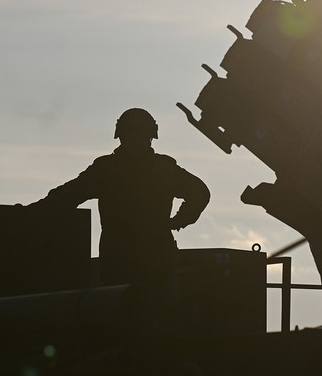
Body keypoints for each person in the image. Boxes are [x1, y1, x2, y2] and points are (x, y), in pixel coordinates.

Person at [27, 108, 210, 292]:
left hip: (147, 258)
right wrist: (34, 211)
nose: (138, 140)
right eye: (133, 135)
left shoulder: (156, 169)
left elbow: (200, 192)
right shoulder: (109, 170)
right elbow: (67, 195)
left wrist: (178, 220)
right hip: (125, 259)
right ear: (123, 137)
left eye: (141, 136)